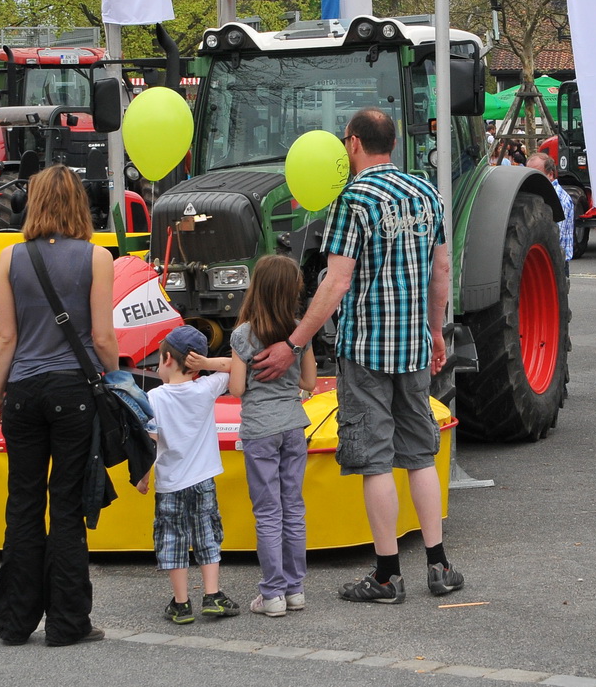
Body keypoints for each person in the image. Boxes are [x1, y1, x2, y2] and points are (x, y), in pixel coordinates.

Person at [248, 109, 459, 603]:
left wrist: (295, 342)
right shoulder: (428, 195)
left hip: (366, 349)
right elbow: (441, 271)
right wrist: (435, 331)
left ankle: (386, 575)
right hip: (413, 346)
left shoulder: (354, 200)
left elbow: (337, 282)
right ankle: (439, 565)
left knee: (376, 461)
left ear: (356, 144)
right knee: (421, 454)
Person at [0, 165, 118, 648]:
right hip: (72, 394)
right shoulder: (98, 258)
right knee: (66, 506)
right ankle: (67, 622)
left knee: (22, 503)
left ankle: (14, 622)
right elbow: (102, 337)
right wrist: (116, 374)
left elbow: (5, 337)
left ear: (34, 203)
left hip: (22, 391)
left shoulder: (10, 257)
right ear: (79, 205)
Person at [229, 256, 317, 615]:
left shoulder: (242, 335)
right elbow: (309, 383)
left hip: (259, 430)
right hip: (293, 426)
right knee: (293, 508)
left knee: (268, 512)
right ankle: (295, 589)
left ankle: (272, 594)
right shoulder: (300, 333)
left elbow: (236, 388)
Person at [140, 325, 240, 623]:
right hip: (203, 479)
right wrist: (207, 365)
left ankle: (182, 603)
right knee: (207, 534)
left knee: (173, 539)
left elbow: (150, 441)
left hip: (170, 483)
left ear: (168, 359)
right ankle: (212, 594)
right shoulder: (205, 388)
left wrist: (144, 476)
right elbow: (236, 366)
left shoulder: (154, 397)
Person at [526, 151, 576, 261]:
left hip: (555, 263)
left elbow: (556, 236)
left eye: (536, 174)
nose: (530, 178)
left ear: (550, 174)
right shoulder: (540, 195)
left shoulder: (558, 198)